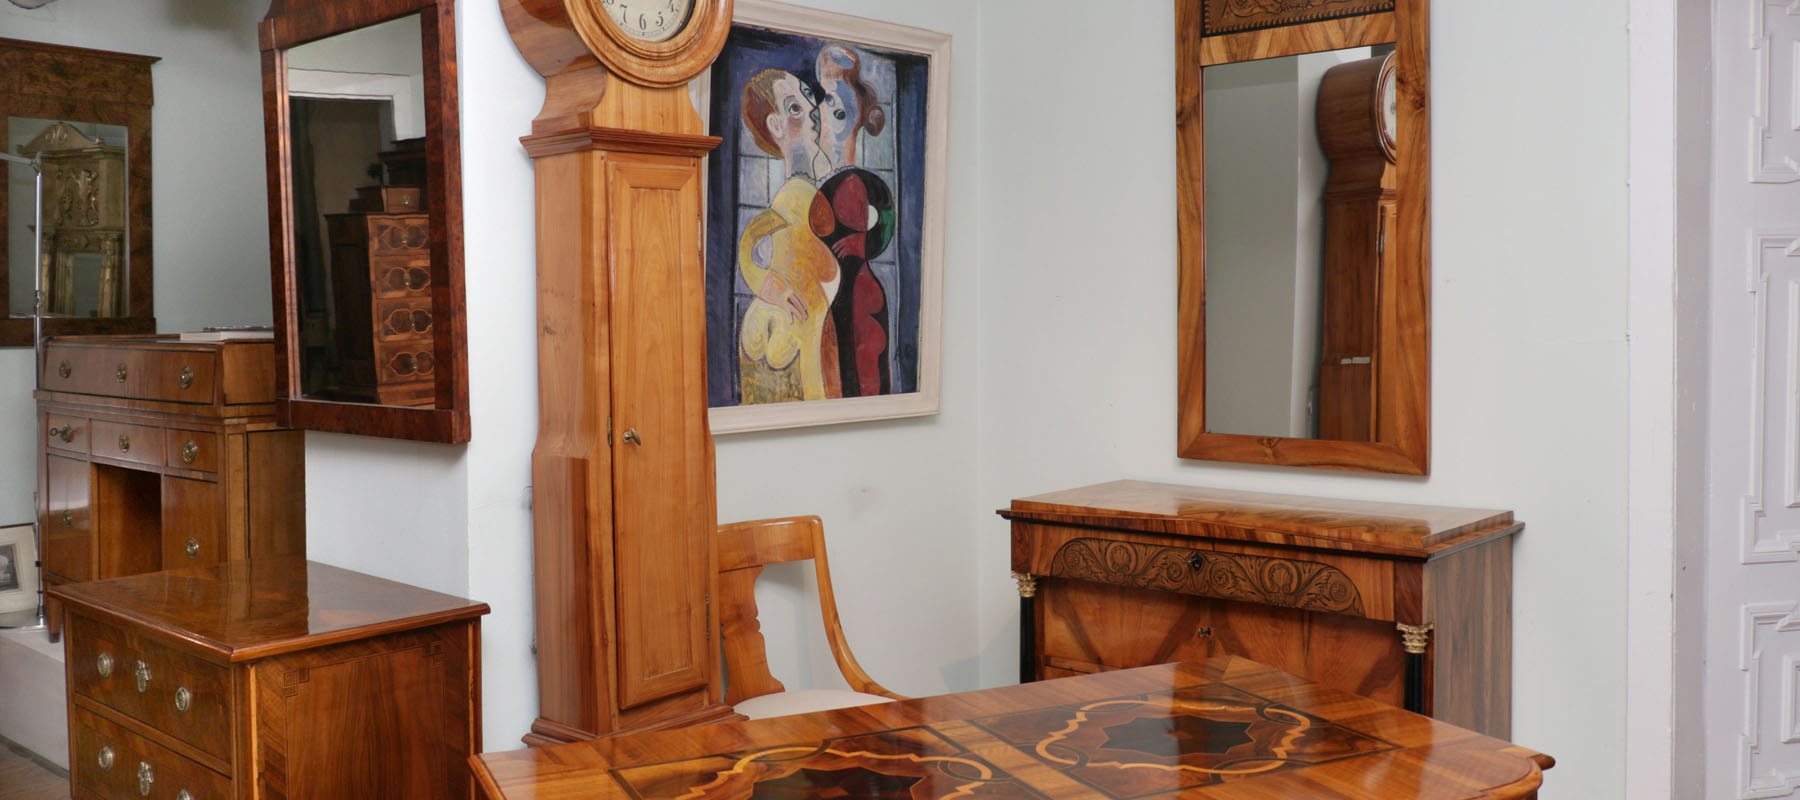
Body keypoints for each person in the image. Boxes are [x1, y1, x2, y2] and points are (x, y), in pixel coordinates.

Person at [736, 69, 841, 403]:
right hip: (798, 327)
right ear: (776, 126)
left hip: (787, 324)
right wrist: (762, 282)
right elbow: (752, 239)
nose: (811, 111)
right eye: (795, 107)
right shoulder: (796, 194)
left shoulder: (801, 189)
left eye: (809, 99)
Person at [812, 44, 896, 397]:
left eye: (837, 103)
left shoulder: (859, 180)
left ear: (857, 115)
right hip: (826, 299)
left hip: (859, 299)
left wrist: (863, 243)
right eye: (824, 98)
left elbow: (885, 218)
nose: (826, 110)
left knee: (861, 381)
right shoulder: (814, 183)